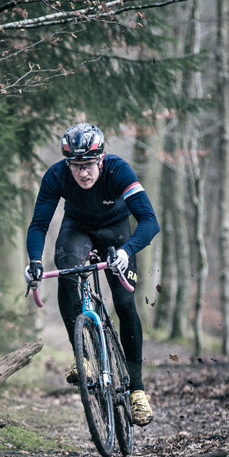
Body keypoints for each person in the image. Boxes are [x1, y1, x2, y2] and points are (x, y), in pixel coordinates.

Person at [24, 123, 159, 426]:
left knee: (124, 303)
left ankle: (137, 391)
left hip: (117, 232)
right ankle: (81, 356)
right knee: (67, 274)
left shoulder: (118, 171)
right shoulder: (57, 176)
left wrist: (126, 252)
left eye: (87, 165)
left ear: (100, 159)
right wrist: (34, 260)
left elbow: (149, 221)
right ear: (67, 164)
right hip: (78, 230)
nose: (82, 173)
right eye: (76, 166)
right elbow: (39, 225)